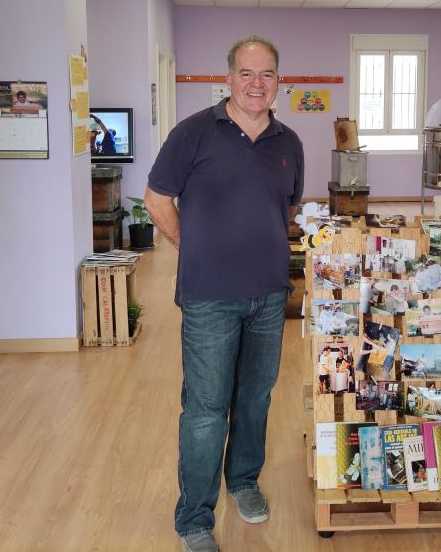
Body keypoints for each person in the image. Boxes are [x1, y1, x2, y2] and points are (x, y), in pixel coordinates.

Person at [144, 35, 304, 552]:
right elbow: (155, 199)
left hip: (268, 295)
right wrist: (194, 248)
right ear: (228, 78)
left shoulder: (289, 143)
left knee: (255, 398)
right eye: (247, 74)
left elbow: (289, 211)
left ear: (279, 81)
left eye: (268, 74)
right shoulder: (193, 133)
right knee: (207, 408)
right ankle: (194, 517)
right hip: (210, 296)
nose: (257, 84)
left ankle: (243, 482)